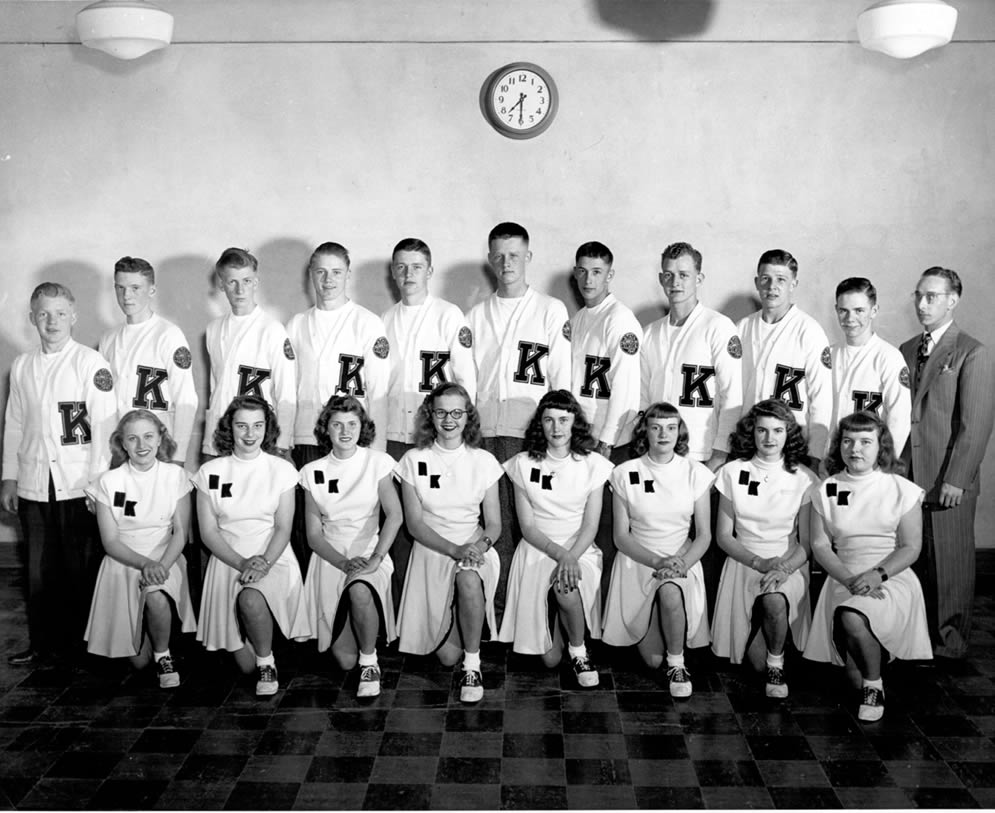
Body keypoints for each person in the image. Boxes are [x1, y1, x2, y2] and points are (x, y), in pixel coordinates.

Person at [1, 282, 117, 665]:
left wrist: (97, 483)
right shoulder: (23, 366)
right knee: (38, 570)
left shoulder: (90, 364)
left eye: (60, 314)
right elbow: (15, 425)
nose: (52, 322)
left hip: (78, 484)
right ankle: (42, 644)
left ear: (74, 316)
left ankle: (83, 648)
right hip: (35, 483)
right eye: (44, 314)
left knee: (77, 568)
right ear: (32, 318)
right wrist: (10, 475)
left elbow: (104, 429)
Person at [467, 222, 571, 617]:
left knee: (526, 524)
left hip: (530, 434)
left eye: (514, 255)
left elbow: (562, 380)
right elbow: (468, 380)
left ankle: (525, 612)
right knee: (493, 523)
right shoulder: (477, 315)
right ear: (489, 259)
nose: (506, 263)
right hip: (485, 433)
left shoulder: (550, 309)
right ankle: (496, 612)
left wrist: (556, 437)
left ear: (528, 257)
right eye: (499, 255)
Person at [804, 412, 932, 722]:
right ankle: (874, 660)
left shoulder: (902, 489)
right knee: (852, 676)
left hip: (891, 575)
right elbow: (820, 546)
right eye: (848, 441)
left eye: (865, 442)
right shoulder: (826, 488)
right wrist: (848, 578)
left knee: (852, 618)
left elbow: (911, 547)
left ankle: (874, 686)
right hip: (843, 574)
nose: (855, 449)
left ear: (881, 446)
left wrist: (878, 575)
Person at [899, 267, 995, 659]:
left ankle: (949, 645)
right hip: (910, 475)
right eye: (919, 295)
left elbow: (977, 424)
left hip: (947, 477)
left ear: (952, 300)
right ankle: (917, 640)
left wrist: (957, 477)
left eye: (932, 296)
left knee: (950, 564)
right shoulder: (907, 349)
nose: (922, 304)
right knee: (916, 559)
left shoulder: (972, 351)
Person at [193, 395, 310, 696]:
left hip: (273, 554)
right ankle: (257, 650)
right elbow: (208, 533)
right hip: (228, 558)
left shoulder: (282, 469)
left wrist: (263, 564)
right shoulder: (210, 472)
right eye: (241, 425)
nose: (250, 433)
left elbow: (283, 527)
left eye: (257, 425)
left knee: (250, 599)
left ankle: (266, 662)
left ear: (267, 428)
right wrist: (242, 563)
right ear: (229, 427)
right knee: (242, 666)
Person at [395, 382, 503, 703]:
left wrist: (478, 547)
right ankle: (459, 612)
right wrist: (454, 550)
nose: (449, 420)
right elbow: (415, 525)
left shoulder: (484, 460)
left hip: (473, 545)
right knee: (445, 657)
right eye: (441, 412)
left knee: (468, 578)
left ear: (468, 416)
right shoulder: (413, 459)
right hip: (433, 548)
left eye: (457, 413)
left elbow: (494, 524)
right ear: (430, 415)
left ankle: (473, 665)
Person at [381, 238, 476, 598]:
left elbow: (466, 381)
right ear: (393, 272)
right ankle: (401, 607)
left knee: (436, 521)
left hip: (434, 439)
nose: (408, 274)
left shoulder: (449, 315)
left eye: (416, 267)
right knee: (397, 525)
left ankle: (445, 602)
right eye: (401, 267)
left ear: (429, 271)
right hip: (394, 436)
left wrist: (457, 434)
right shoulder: (384, 320)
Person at [499, 390, 612, 688]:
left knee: (565, 585)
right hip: (538, 548)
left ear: (575, 422)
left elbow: (590, 525)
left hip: (580, 549)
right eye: (549, 420)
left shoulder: (593, 464)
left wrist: (570, 556)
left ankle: (579, 651)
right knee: (549, 660)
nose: (557, 427)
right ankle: (558, 621)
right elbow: (527, 527)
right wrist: (561, 555)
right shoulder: (522, 463)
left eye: (564, 420)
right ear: (540, 424)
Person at [287, 242, 391, 567]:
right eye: (321, 272)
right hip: (307, 437)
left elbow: (379, 392)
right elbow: (287, 390)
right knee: (308, 526)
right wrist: (284, 441)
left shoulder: (367, 322)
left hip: (351, 441)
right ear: (310, 275)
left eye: (336, 272)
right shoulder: (297, 324)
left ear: (348, 274)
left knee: (353, 520)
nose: (328, 280)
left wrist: (377, 450)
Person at [602, 402, 714, 698]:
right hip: (639, 558)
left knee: (670, 590)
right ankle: (655, 621)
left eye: (671, 428)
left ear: (680, 432)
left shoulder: (695, 472)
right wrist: (656, 560)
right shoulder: (625, 472)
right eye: (656, 428)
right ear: (645, 432)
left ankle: (677, 664)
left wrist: (681, 563)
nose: (664, 434)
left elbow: (704, 535)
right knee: (652, 661)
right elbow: (621, 537)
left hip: (680, 558)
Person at [711, 399, 819, 698]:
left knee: (773, 599)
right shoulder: (732, 472)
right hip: (744, 560)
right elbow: (724, 536)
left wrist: (783, 568)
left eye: (777, 430)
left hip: (788, 561)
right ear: (752, 432)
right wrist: (759, 562)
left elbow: (807, 543)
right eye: (762, 430)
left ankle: (776, 664)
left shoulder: (804, 478)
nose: (770, 438)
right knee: (752, 664)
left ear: (788, 434)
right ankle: (765, 638)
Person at [84, 410, 197, 687]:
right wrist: (145, 564)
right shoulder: (108, 482)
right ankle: (145, 636)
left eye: (148, 436)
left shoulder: (176, 476)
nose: (141, 445)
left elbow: (181, 533)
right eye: (132, 438)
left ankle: (163, 655)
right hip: (123, 560)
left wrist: (159, 566)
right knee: (138, 662)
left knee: (155, 595)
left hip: (166, 557)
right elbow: (110, 542)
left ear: (160, 439)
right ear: (122, 443)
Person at [300, 395, 402, 699]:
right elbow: (314, 536)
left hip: (371, 551)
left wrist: (376, 558)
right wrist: (343, 563)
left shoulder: (378, 462)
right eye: (337, 425)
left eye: (352, 424)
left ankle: (370, 663)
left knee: (359, 588)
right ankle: (356, 633)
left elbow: (395, 516)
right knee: (345, 661)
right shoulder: (312, 471)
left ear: (362, 427)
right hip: (330, 557)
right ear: (326, 428)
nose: (345, 432)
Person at [641, 242, 742, 471]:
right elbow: (642, 398)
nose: (675, 282)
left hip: (701, 453)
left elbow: (732, 395)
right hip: (655, 453)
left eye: (684, 275)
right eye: (669, 275)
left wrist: (720, 452)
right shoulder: (649, 333)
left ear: (699, 278)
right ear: (661, 279)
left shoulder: (718, 327)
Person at [99, 256, 199, 464]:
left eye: (135, 288)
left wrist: (178, 456)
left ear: (151, 290)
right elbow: (102, 401)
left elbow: (186, 398)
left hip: (159, 449)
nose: (127, 296)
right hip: (121, 447)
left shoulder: (168, 335)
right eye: (120, 288)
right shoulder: (109, 339)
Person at [738, 249, 832, 466]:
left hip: (792, 446)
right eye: (766, 279)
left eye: (781, 279)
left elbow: (821, 400)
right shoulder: (742, 328)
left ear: (793, 284)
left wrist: (815, 455)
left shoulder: (809, 331)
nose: (772, 286)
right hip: (748, 443)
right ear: (757, 282)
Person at [202, 248, 296, 457]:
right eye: (232, 282)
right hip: (219, 436)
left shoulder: (272, 330)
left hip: (256, 439)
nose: (240, 290)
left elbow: (286, 394)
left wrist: (281, 445)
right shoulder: (213, 329)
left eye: (246, 281)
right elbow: (216, 388)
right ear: (221, 284)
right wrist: (209, 442)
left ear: (255, 282)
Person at [569, 241, 641, 459]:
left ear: (609, 275)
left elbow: (625, 384)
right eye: (583, 271)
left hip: (611, 440)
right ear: (575, 273)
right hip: (581, 433)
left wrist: (608, 439)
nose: (588, 280)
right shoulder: (578, 318)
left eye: (596, 272)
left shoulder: (619, 319)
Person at [829, 277, 910, 456]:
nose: (850, 318)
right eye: (843, 311)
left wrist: (883, 464)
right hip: (830, 460)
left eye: (859, 311)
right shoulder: (829, 355)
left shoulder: (889, 357)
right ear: (836, 310)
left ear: (874, 311)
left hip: (869, 461)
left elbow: (899, 420)